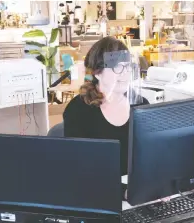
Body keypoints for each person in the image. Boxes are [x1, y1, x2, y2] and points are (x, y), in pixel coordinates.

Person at [63, 37, 148, 199]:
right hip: (97, 197)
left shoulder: (141, 106)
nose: (125, 73)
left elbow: (153, 158)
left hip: (137, 195)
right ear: (97, 72)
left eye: (127, 66)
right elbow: (81, 172)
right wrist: (124, 192)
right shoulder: (79, 111)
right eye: (116, 66)